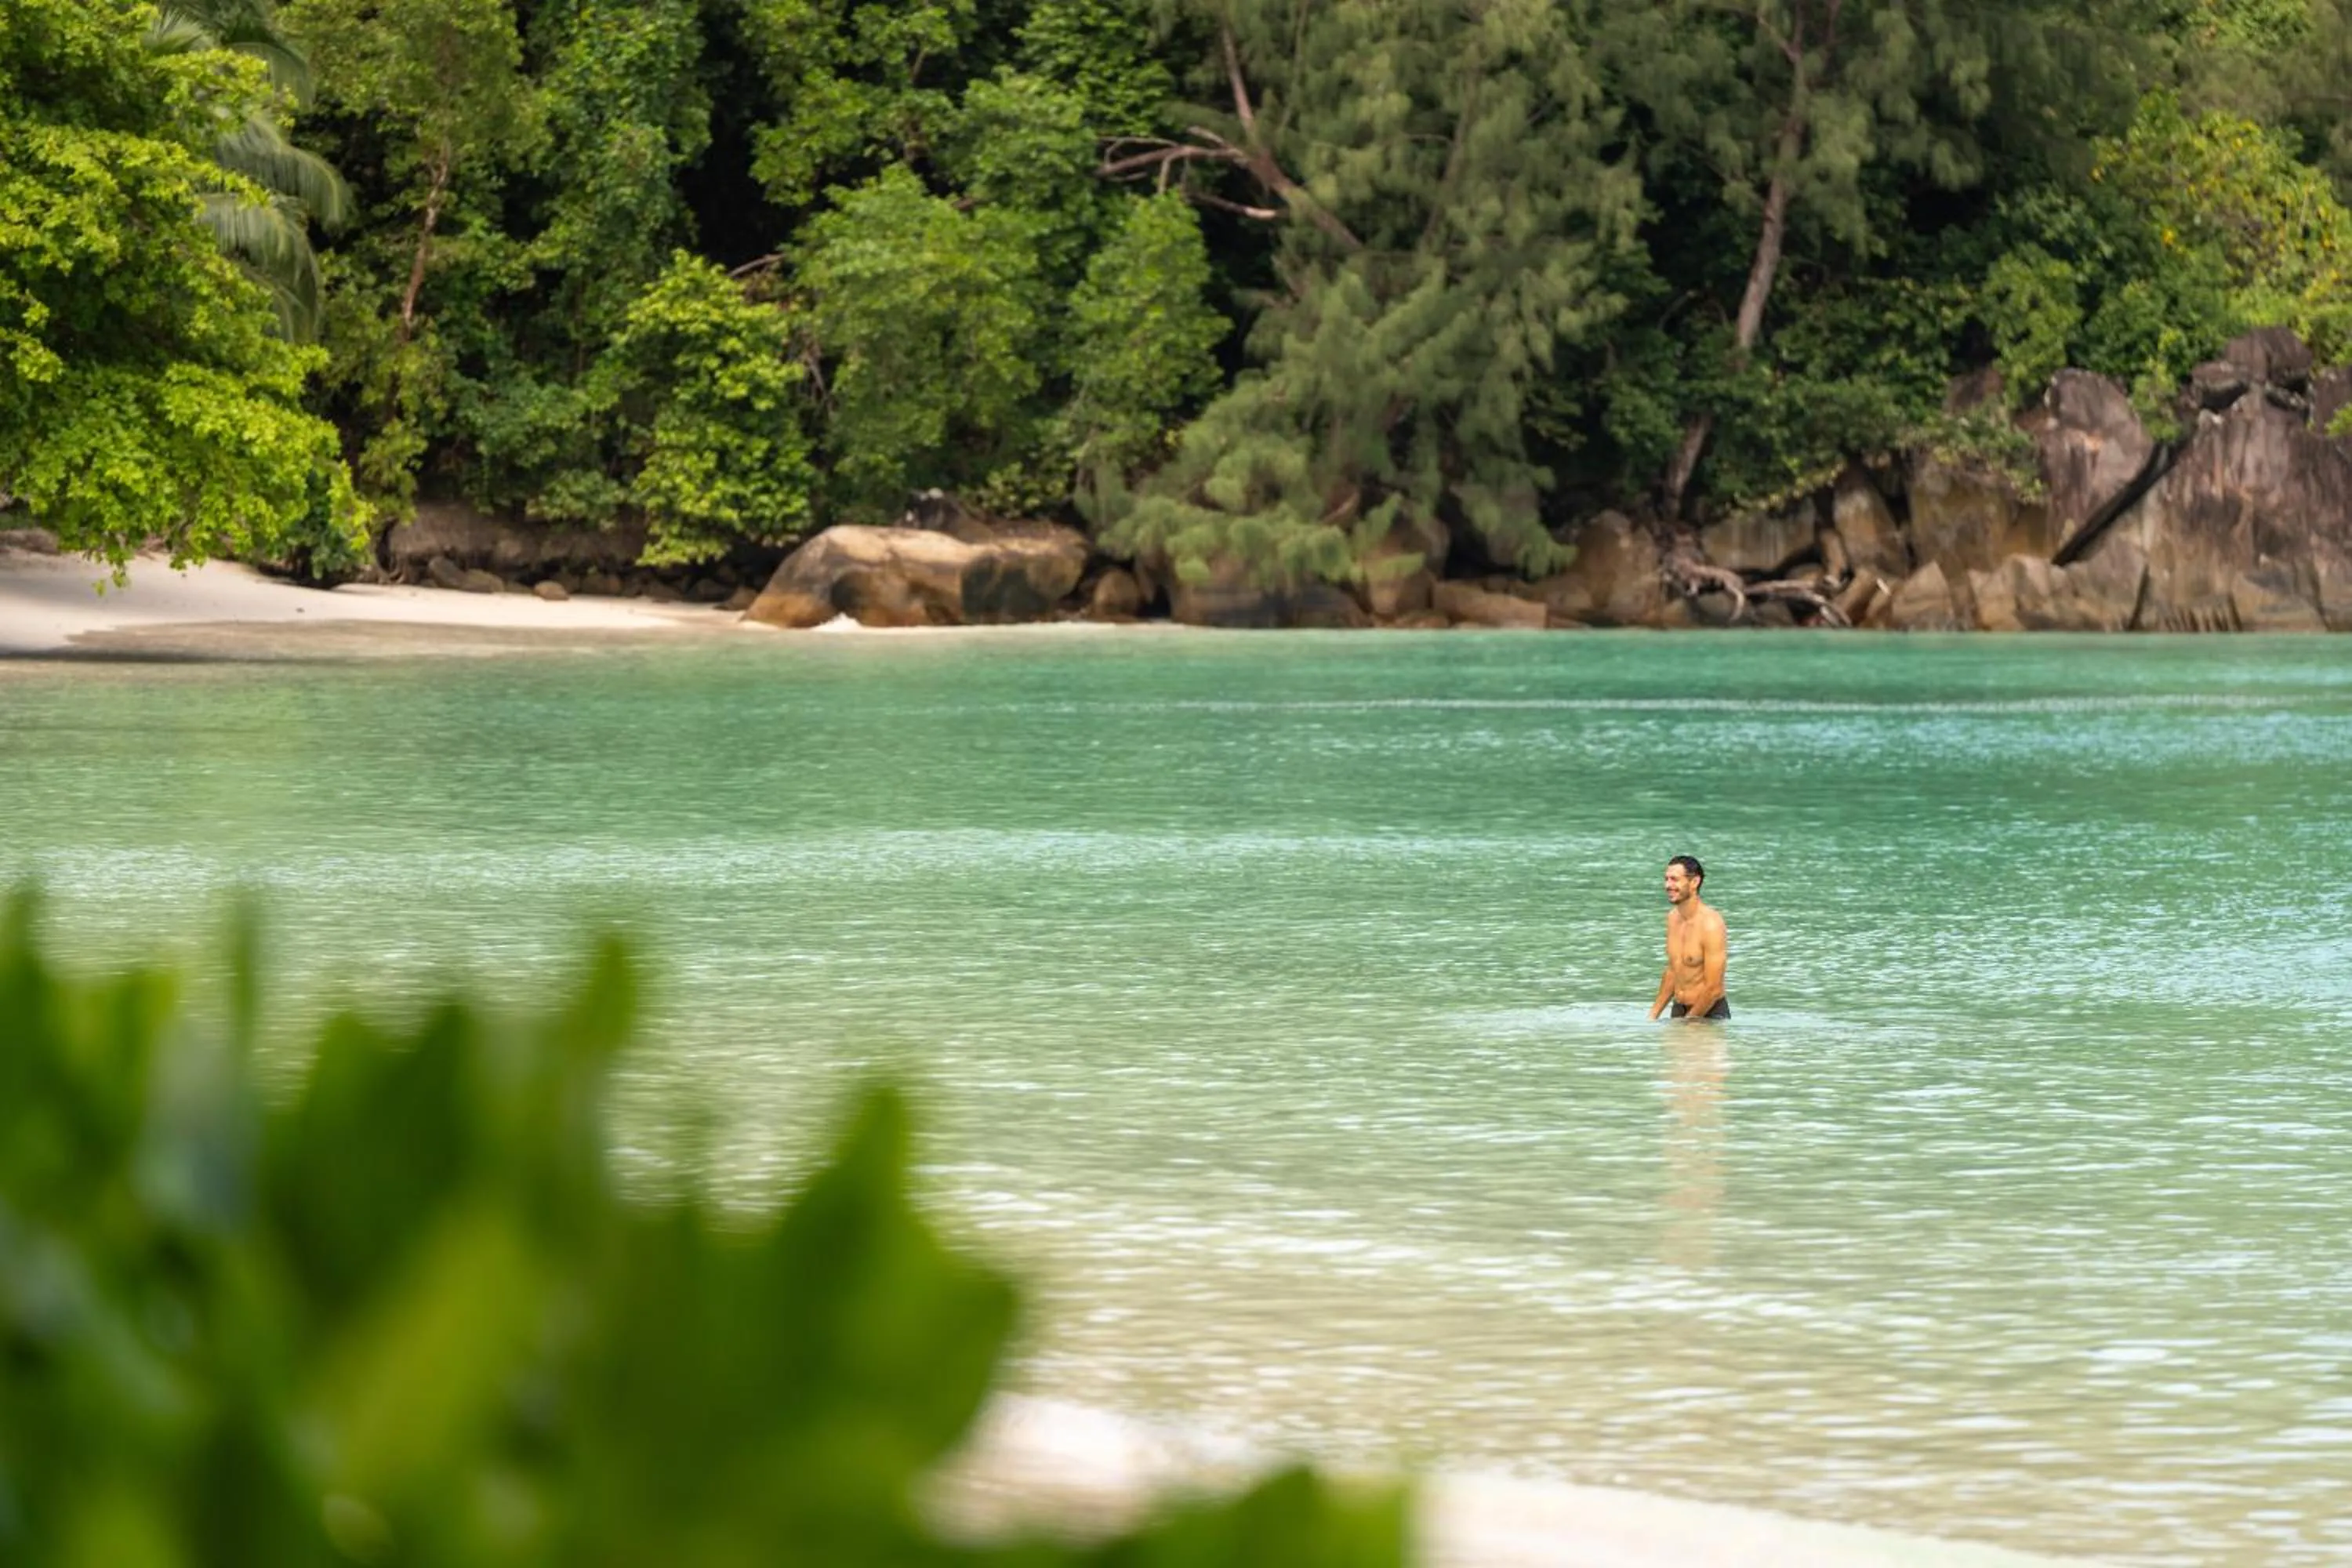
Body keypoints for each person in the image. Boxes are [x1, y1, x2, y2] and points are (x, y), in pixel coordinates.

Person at [1647, 855, 1728, 1022]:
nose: (1668, 885)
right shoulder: (1672, 918)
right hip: (1679, 1010)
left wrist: (1689, 1022)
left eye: (1675, 879)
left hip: (1709, 1013)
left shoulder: (1711, 924)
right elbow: (1673, 971)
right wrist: (1653, 1015)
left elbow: (1714, 988)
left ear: (1694, 882)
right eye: (1666, 879)